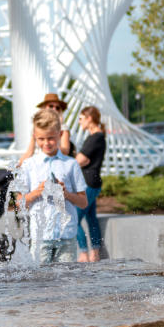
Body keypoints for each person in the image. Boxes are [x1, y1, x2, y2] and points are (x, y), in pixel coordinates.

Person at [16, 108, 87, 264]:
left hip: (67, 236)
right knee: (40, 283)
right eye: (41, 139)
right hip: (40, 237)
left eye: (51, 138)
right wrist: (37, 192)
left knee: (66, 282)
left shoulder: (71, 164)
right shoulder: (29, 165)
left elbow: (83, 202)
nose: (46, 143)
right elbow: (19, 203)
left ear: (60, 135)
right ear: (35, 137)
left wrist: (66, 194)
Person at [74, 106, 106, 262]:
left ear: (89, 118)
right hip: (92, 182)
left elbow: (82, 160)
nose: (79, 122)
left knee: (73, 218)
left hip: (88, 183)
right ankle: (95, 253)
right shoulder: (96, 137)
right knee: (91, 218)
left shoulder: (95, 137)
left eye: (80, 118)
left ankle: (83, 253)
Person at [18, 93, 74, 164]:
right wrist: (18, 166)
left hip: (56, 162)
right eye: (51, 106)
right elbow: (30, 151)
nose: (54, 109)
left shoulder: (63, 128)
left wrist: (47, 148)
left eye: (57, 107)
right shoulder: (37, 127)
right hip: (39, 162)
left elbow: (65, 151)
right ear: (44, 107)